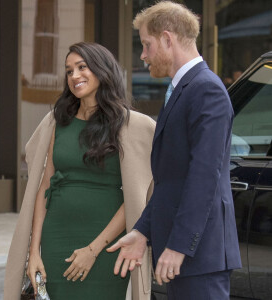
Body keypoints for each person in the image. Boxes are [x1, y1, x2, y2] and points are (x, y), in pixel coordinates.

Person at [108, 2, 242, 299]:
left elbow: (204, 177)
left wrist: (179, 246)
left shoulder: (206, 89)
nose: (143, 56)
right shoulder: (186, 89)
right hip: (187, 257)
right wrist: (143, 231)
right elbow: (171, 181)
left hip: (199, 256)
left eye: (146, 45)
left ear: (168, 39)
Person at [4, 42, 155, 300]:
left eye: (82, 67)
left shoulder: (131, 125)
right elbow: (44, 188)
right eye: (69, 70)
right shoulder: (57, 121)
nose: (74, 76)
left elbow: (136, 197)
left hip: (106, 246)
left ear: (102, 70)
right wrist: (34, 252)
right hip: (56, 239)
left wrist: (93, 250)